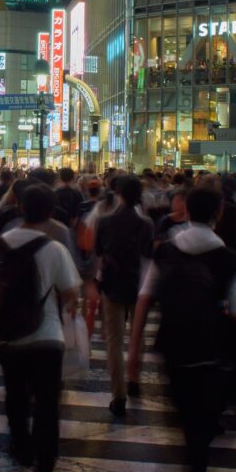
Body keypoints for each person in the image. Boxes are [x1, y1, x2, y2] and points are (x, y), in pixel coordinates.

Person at [127, 187, 236, 472]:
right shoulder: (228, 257)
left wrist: (134, 352)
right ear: (219, 213)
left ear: (186, 211)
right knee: (202, 428)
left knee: (186, 417)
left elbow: (144, 299)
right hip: (212, 353)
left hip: (172, 348)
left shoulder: (167, 251)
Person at [0, 184, 80, 472]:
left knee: (14, 393)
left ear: (20, 208)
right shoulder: (55, 250)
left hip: (9, 337)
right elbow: (70, 293)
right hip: (47, 338)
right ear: (50, 213)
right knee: (49, 408)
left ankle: (21, 444)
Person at [95, 175, 154, 416]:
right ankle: (134, 379)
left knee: (114, 341)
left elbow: (98, 251)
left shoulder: (105, 220)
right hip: (138, 283)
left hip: (113, 284)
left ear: (118, 194)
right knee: (136, 335)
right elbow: (148, 254)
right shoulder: (146, 223)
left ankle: (118, 395)